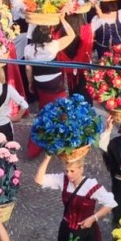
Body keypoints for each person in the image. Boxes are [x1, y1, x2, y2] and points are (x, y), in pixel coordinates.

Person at [35, 155, 117, 241]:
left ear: (81, 169)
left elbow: (110, 203)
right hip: (66, 231)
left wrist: (93, 218)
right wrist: (47, 158)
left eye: (72, 171)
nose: (69, 174)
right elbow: (39, 180)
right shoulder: (63, 180)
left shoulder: (91, 186)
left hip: (85, 232)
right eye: (67, 170)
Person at [24, 13, 75, 157]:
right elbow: (71, 35)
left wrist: (30, 83)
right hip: (56, 83)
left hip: (40, 82)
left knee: (44, 110)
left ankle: (39, 143)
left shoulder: (29, 49)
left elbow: (28, 69)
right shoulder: (53, 45)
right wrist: (63, 20)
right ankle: (63, 141)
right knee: (61, 110)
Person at [56, 13, 94, 104]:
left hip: (66, 71)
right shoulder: (86, 31)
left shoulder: (59, 33)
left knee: (72, 93)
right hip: (82, 68)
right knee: (84, 92)